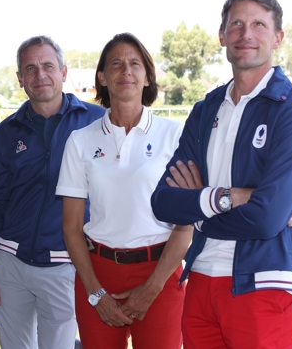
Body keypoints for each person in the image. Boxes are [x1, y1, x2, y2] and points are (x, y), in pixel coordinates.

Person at [151, 0, 292, 349]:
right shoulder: (205, 109)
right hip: (199, 277)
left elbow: (267, 218)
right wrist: (226, 197)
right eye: (237, 24)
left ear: (277, 38)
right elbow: (163, 202)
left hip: (265, 280)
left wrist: (197, 211)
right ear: (222, 36)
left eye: (259, 24)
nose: (246, 34)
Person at [56, 33, 191, 349]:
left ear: (147, 76)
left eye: (135, 64)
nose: (125, 71)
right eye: (115, 64)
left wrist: (152, 287)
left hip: (161, 271)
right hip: (98, 273)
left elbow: (187, 225)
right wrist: (96, 293)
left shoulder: (175, 136)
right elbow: (71, 228)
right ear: (102, 77)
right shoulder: (80, 140)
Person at [0, 36, 104, 348]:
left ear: (63, 72)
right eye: (30, 69)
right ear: (20, 79)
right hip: (10, 263)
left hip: (66, 264)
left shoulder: (97, 121)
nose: (39, 75)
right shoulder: (7, 130)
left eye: (47, 66)